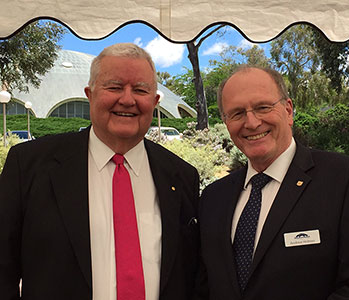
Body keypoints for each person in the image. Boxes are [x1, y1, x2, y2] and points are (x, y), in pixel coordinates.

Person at [0, 43, 201, 300]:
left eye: (140, 90)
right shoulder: (29, 166)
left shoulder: (182, 176)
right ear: (90, 94)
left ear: (155, 101)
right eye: (114, 87)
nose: (127, 100)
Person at [198, 65, 349, 299]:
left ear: (288, 110)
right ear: (226, 122)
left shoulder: (346, 180)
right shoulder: (213, 197)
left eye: (263, 107)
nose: (251, 122)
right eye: (237, 113)